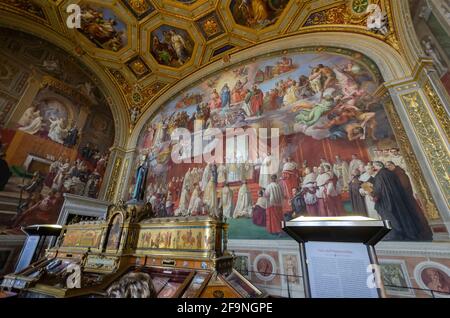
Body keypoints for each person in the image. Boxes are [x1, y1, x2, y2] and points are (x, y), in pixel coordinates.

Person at [371, 161, 433, 241]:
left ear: (377, 166)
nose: (373, 168)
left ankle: (396, 234)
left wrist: (373, 194)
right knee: (402, 216)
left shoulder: (380, 175)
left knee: (391, 218)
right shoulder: (390, 173)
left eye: (374, 166)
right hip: (398, 199)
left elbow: (379, 189)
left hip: (387, 201)